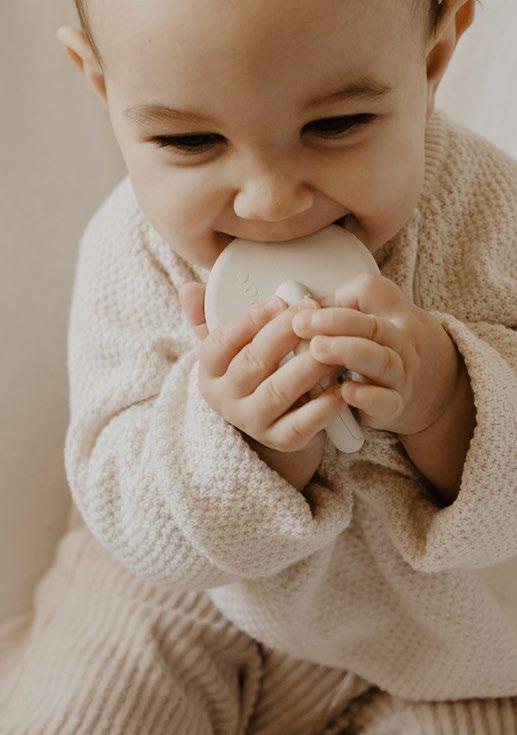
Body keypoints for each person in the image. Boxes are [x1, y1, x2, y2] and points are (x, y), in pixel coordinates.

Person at [1, 0, 516, 732]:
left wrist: (446, 398)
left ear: (431, 61)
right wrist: (247, 446)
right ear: (103, 85)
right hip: (194, 595)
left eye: (335, 125)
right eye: (189, 139)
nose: (270, 201)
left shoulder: (489, 213)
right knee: (87, 699)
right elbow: (121, 495)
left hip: (455, 637)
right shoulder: (131, 252)